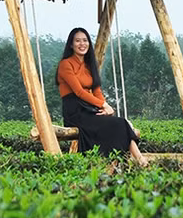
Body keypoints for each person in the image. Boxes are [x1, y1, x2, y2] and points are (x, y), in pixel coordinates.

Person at [56, 27, 147, 167]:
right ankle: (140, 161)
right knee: (119, 124)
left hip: (89, 109)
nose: (82, 44)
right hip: (75, 111)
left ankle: (139, 161)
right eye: (78, 41)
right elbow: (79, 92)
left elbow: (97, 90)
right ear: (71, 45)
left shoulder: (89, 65)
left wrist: (105, 108)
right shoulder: (65, 64)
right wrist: (103, 105)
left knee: (121, 123)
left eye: (85, 40)